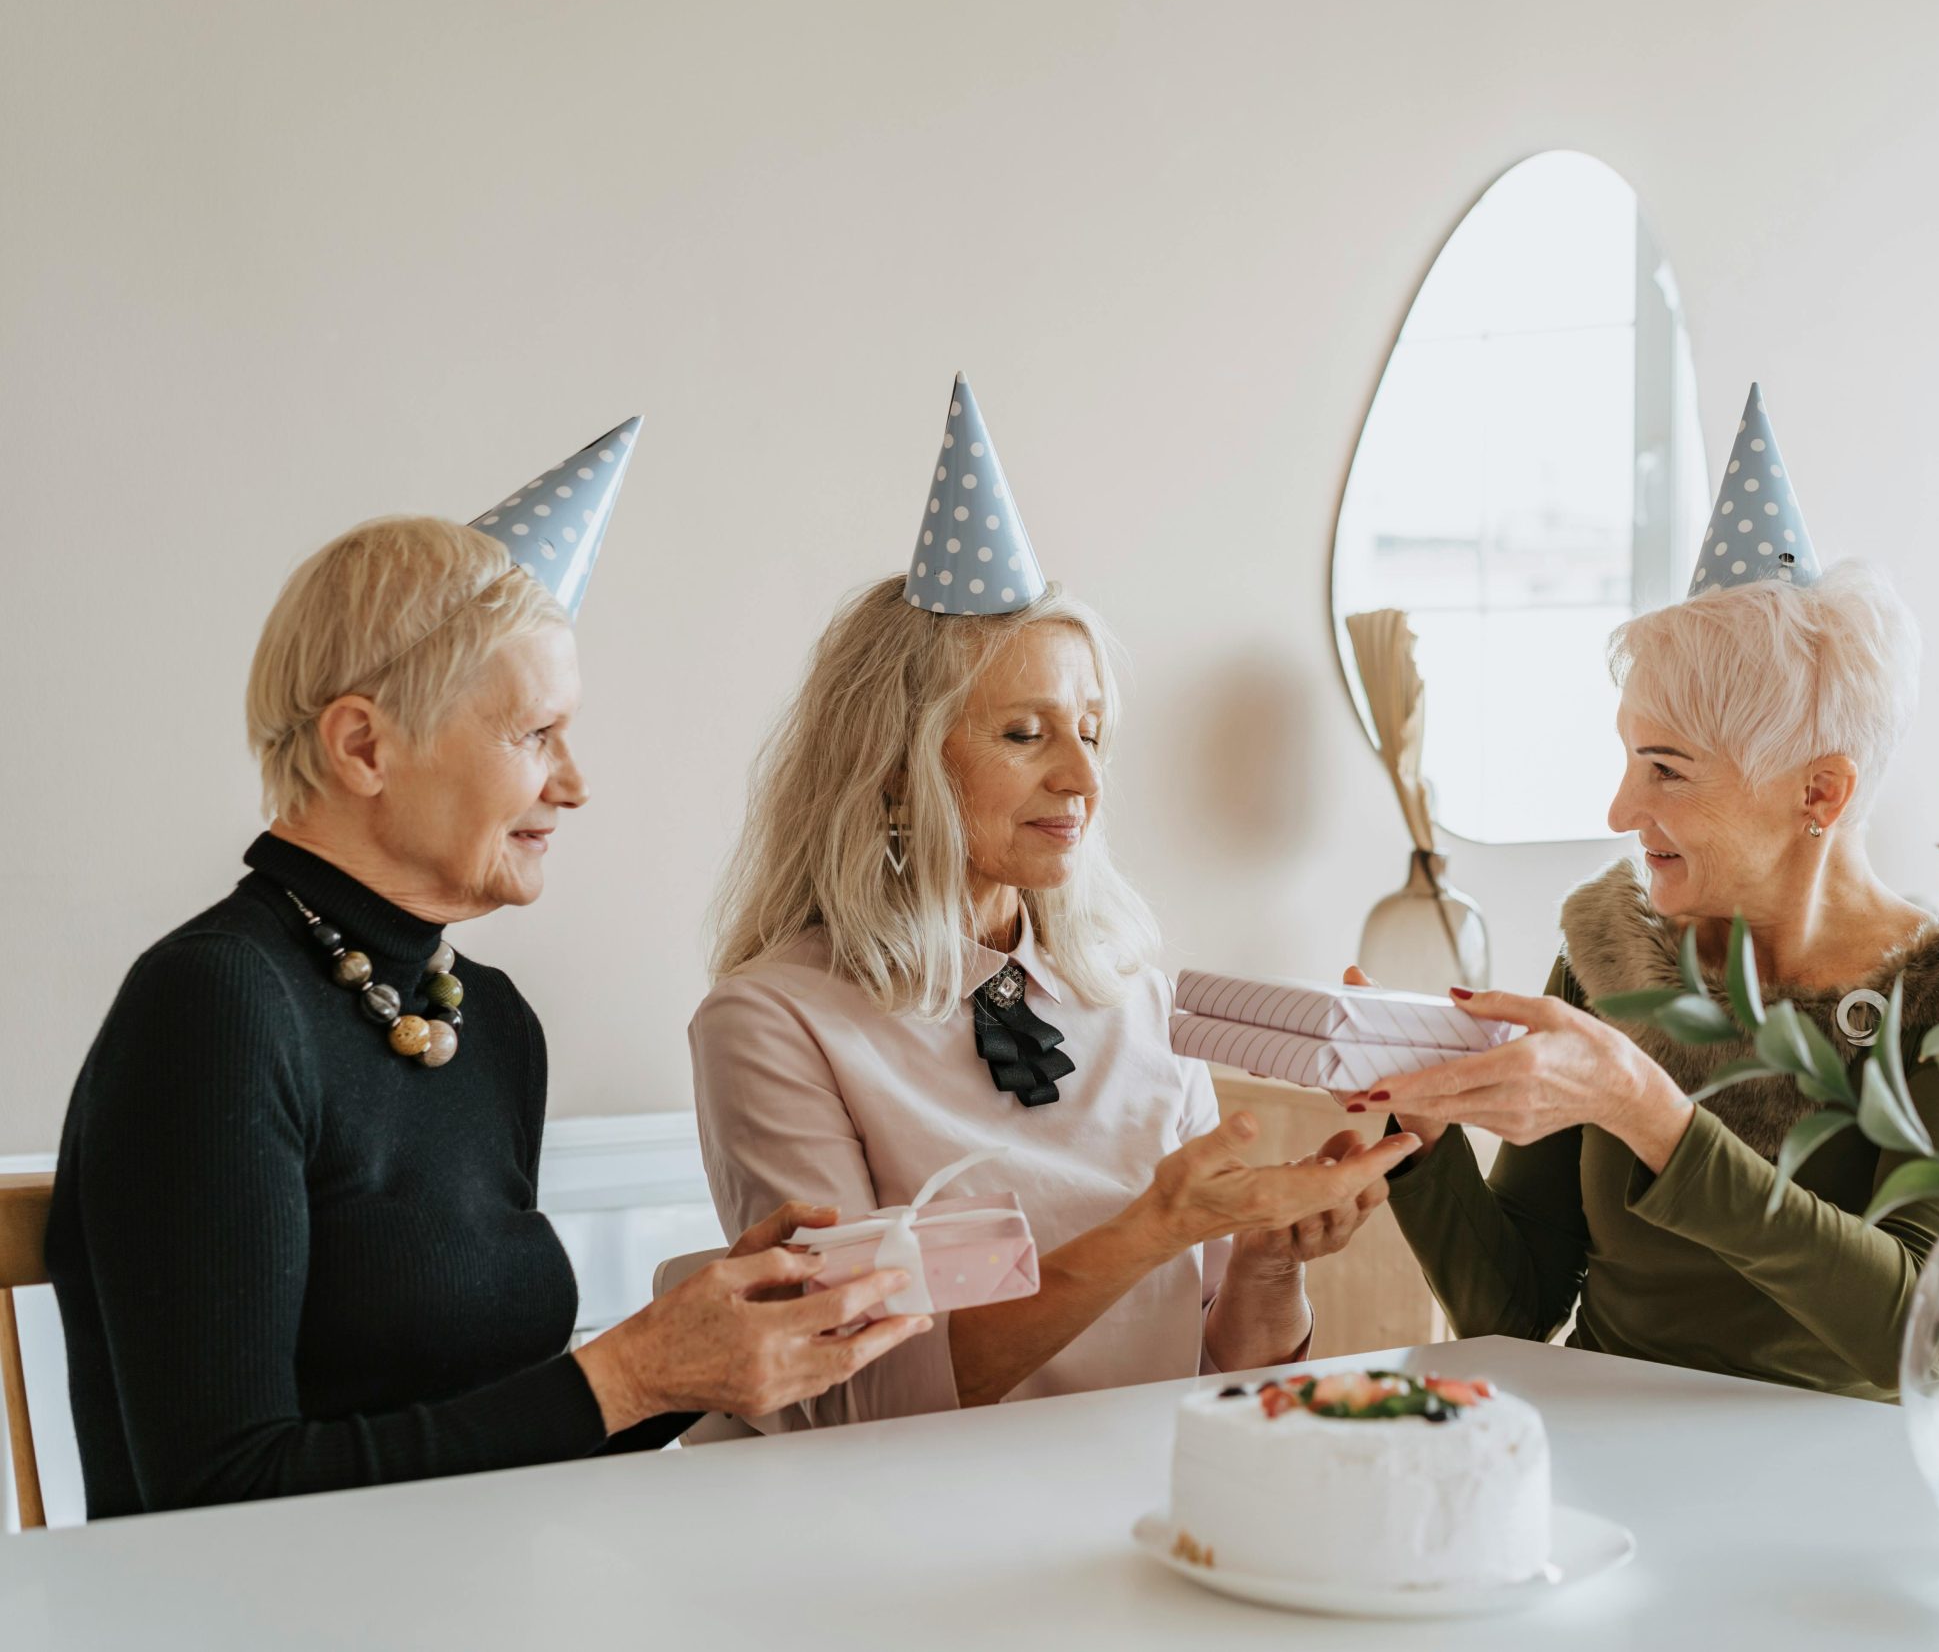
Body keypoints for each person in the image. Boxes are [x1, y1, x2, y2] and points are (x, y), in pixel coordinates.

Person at [47, 426, 924, 1517]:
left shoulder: (488, 1022)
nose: (575, 783)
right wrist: (633, 1373)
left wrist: (701, 1354)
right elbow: (218, 1491)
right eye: (536, 733)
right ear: (362, 747)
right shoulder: (216, 1006)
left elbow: (498, 1444)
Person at [691, 376, 1413, 1427]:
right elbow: (858, 1398)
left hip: (1136, 1520)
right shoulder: (772, 1022)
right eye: (1025, 734)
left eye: (1091, 730)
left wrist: (1262, 1265)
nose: (1082, 777)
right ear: (893, 768)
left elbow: (1228, 1388)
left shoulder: (1132, 1000)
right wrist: (1156, 1225)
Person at [1376, 388, 1939, 1401]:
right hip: (1601, 1466)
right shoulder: (1613, 954)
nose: (1618, 809)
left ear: (1818, 792)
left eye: (1666, 769)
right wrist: (1416, 1142)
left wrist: (1653, 1114)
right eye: (1626, 761)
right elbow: (1511, 1309)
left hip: (1829, 1497)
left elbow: (1913, 1327)